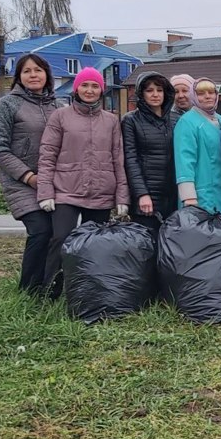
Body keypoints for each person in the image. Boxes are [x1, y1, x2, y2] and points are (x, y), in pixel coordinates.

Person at [37, 67, 130, 298]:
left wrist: (121, 197)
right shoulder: (60, 116)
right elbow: (47, 155)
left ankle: (88, 292)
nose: (89, 90)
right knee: (61, 239)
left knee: (94, 245)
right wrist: (45, 192)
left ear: (102, 90)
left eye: (95, 86)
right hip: (66, 190)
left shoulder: (110, 121)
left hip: (101, 191)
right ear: (77, 88)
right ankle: (51, 292)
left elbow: (118, 160)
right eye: (85, 85)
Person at [0, 53, 57, 295]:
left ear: (47, 74)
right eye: (27, 71)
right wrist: (28, 176)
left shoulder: (57, 105)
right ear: (19, 77)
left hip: (53, 183)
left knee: (57, 234)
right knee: (40, 230)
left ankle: (52, 287)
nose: (33, 75)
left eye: (38, 70)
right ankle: (28, 291)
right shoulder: (8, 104)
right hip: (22, 183)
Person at [121, 71, 178, 233]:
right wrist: (142, 194)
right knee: (146, 247)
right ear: (141, 94)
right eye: (149, 90)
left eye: (159, 90)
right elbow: (130, 159)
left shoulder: (176, 119)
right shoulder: (131, 120)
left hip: (173, 196)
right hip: (147, 198)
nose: (155, 95)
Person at [175, 77, 221, 214]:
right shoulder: (187, 122)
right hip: (200, 195)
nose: (207, 96)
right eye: (201, 93)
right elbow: (184, 160)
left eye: (211, 92)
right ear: (194, 96)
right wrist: (188, 196)